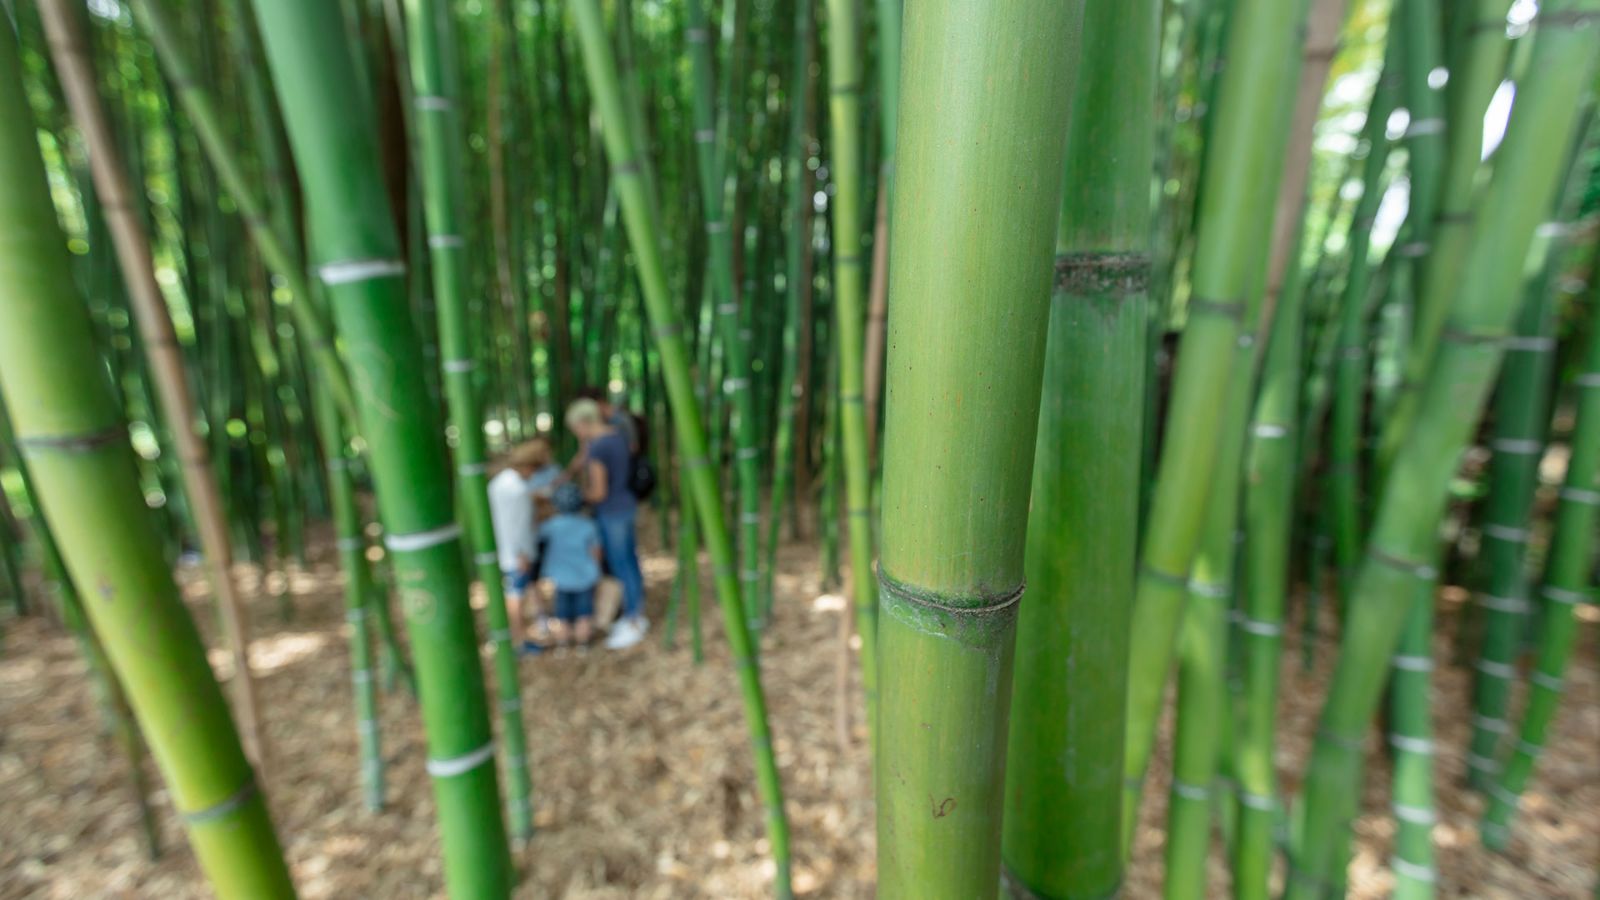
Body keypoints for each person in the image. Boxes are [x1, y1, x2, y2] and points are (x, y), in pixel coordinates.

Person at [564, 398, 647, 649]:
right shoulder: (616, 435)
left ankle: (634, 619)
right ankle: (635, 612)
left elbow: (598, 492)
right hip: (626, 504)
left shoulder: (599, 448)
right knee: (629, 561)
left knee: (622, 565)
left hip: (611, 511)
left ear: (583, 422)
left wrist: (576, 496)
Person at [488, 439, 559, 654]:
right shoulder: (517, 490)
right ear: (529, 467)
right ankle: (518, 641)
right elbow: (517, 526)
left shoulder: (501, 482)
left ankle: (538, 624)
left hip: (507, 548)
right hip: (517, 553)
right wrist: (521, 555)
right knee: (515, 595)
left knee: (523, 589)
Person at [538, 482, 601, 649]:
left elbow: (539, 540)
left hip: (561, 578)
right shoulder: (588, 525)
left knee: (561, 615)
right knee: (584, 614)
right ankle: (583, 644)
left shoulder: (551, 525)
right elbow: (596, 551)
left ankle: (562, 644)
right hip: (585, 576)